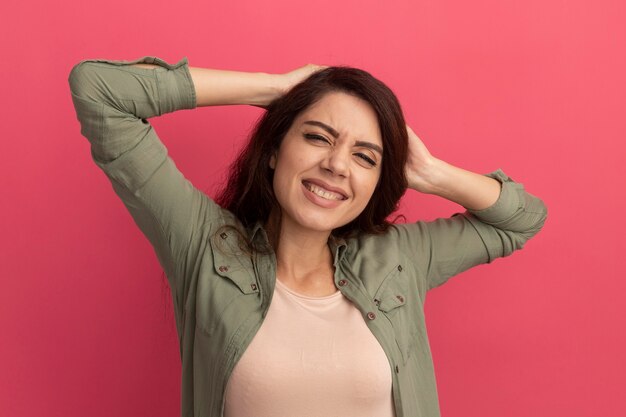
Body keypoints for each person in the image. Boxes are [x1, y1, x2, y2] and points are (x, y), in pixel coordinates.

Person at [68, 55, 547, 417]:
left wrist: (428, 171)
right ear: (275, 150)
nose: (337, 164)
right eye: (317, 136)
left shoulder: (397, 259)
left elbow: (522, 219)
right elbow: (99, 91)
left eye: (365, 157)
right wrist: (276, 89)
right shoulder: (205, 247)